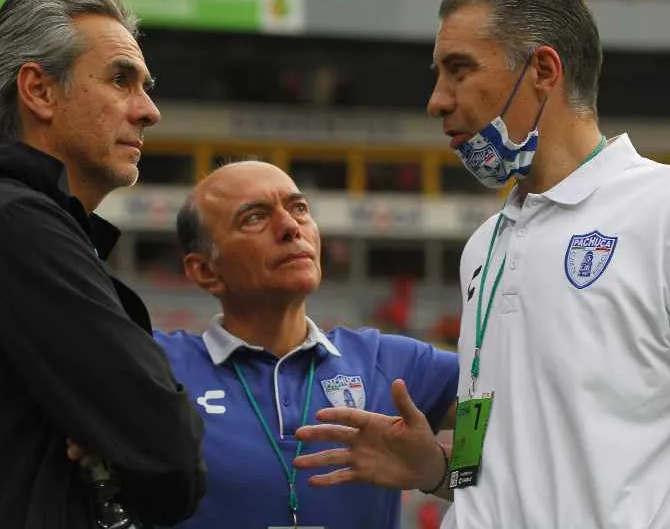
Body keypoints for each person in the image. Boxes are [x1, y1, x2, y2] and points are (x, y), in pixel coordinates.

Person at [294, 0, 670, 528]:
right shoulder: (485, 245)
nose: (436, 101)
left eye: (459, 70)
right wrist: (436, 470)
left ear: (543, 71)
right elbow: (504, 463)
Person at [0, 0, 206, 528]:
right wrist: (125, 444)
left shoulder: (12, 224)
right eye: (121, 80)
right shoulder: (14, 226)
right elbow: (170, 450)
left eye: (145, 87)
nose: (149, 111)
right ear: (39, 91)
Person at [149, 160, 459, 528]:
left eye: (299, 208)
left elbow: (517, 446)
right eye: (254, 217)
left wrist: (438, 472)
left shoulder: (392, 364)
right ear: (205, 270)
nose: (290, 226)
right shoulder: (155, 366)